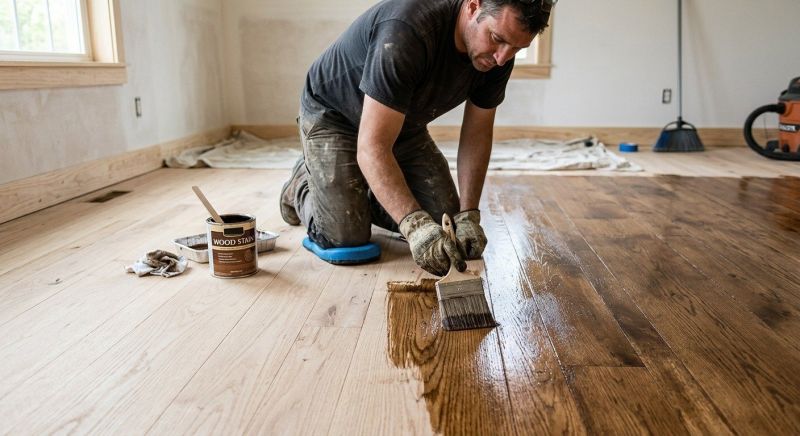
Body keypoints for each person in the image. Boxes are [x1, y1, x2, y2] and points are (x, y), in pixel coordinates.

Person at [280, 0, 554, 276]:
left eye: (517, 49)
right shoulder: (407, 30)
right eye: (497, 39)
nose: (502, 58)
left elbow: (477, 133)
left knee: (448, 225)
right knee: (345, 236)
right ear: (473, 6)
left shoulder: (500, 55)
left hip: (401, 126)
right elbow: (371, 146)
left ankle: (356, 188)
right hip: (335, 116)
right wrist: (413, 225)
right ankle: (301, 184)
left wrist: (469, 213)